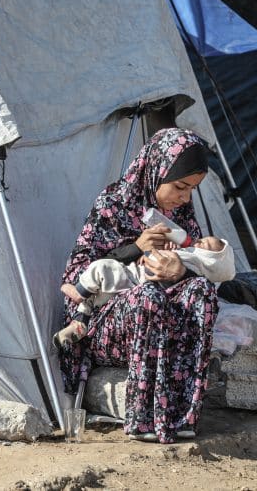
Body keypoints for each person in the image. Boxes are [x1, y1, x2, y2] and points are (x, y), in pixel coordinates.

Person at [59, 127, 220, 443]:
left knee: (201, 291)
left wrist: (180, 270)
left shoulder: (180, 214)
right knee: (148, 296)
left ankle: (182, 416)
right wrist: (136, 246)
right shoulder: (114, 203)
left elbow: (199, 261)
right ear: (156, 171)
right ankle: (143, 419)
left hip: (158, 317)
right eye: (180, 187)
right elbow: (78, 276)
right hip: (106, 324)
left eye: (191, 190)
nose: (185, 197)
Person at [54, 235, 234, 348]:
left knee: (102, 267)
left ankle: (79, 292)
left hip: (133, 281)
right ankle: (79, 324)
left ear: (211, 260)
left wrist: (150, 253)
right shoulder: (192, 265)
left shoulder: (190, 261)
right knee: (97, 296)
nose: (199, 240)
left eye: (206, 245)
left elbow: (155, 264)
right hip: (128, 294)